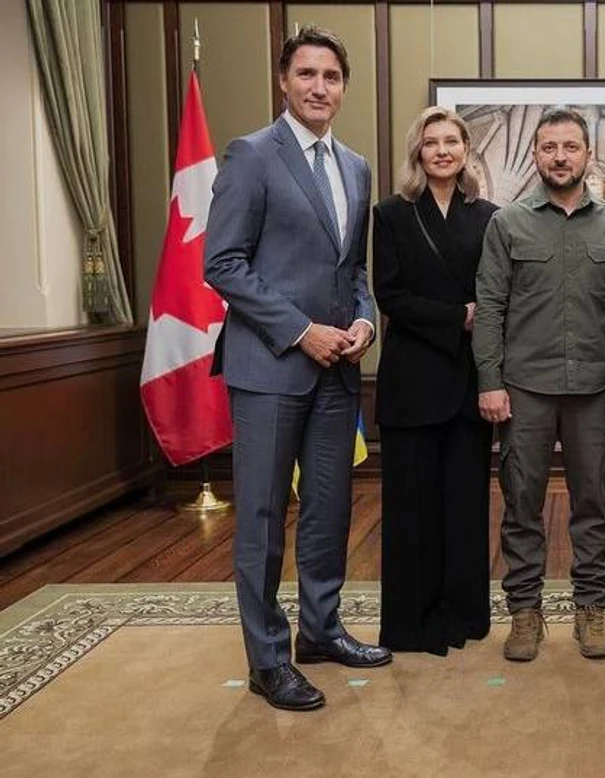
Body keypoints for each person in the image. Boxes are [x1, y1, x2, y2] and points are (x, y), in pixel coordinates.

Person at [204, 25, 390, 712]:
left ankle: (321, 630)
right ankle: (267, 661)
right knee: (261, 518)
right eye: (306, 74)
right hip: (269, 369)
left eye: (331, 76)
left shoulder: (356, 167)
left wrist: (365, 320)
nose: (319, 87)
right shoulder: (252, 154)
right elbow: (222, 263)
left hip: (339, 370)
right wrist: (300, 331)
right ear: (284, 81)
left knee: (329, 510)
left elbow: (354, 270)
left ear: (344, 87)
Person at [474, 108, 605, 662]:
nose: (560, 157)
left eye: (570, 147)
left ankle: (591, 610)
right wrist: (490, 382)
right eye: (549, 147)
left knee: (594, 505)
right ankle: (525, 612)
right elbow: (489, 307)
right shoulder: (508, 224)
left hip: (593, 389)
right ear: (536, 155)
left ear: (588, 154)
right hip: (524, 389)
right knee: (522, 504)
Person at [372, 107, 499, 656]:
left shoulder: (489, 217)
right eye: (431, 142)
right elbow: (389, 295)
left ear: (466, 150)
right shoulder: (391, 214)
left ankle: (464, 616)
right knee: (411, 512)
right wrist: (457, 317)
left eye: (452, 141)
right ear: (417, 152)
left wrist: (479, 323)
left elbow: (497, 292)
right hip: (412, 381)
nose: (442, 151)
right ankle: (410, 624)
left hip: (470, 381)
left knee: (465, 508)